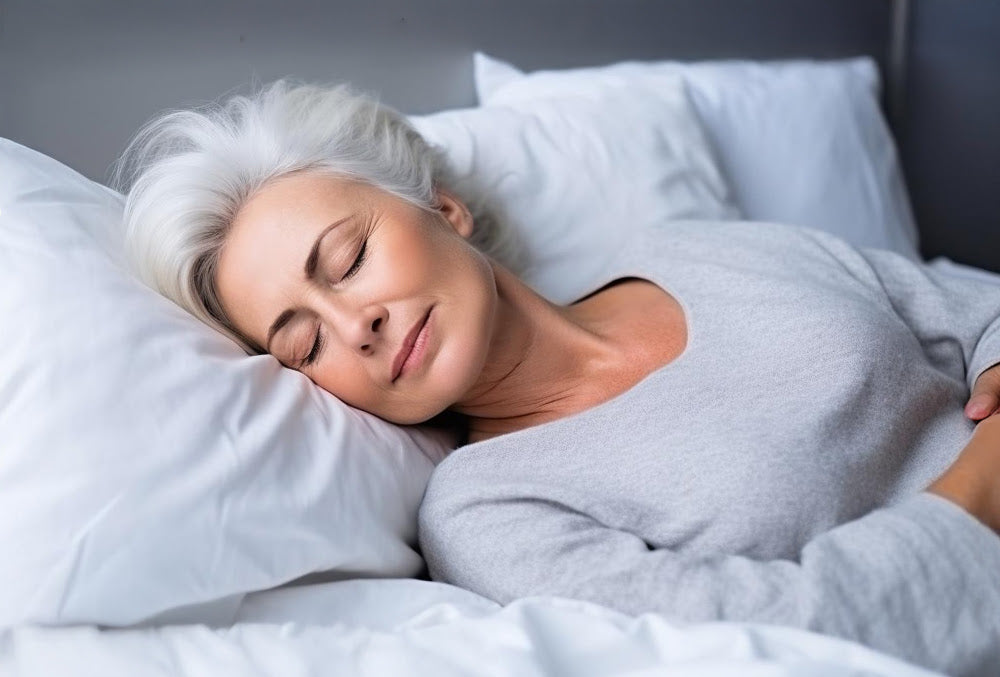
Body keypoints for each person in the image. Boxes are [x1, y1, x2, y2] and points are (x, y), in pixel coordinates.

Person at [112, 78, 1000, 677]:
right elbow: (780, 642)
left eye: (347, 258)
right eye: (304, 344)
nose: (356, 325)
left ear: (441, 206)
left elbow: (968, 307)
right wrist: (985, 482)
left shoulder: (705, 248)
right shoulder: (487, 512)